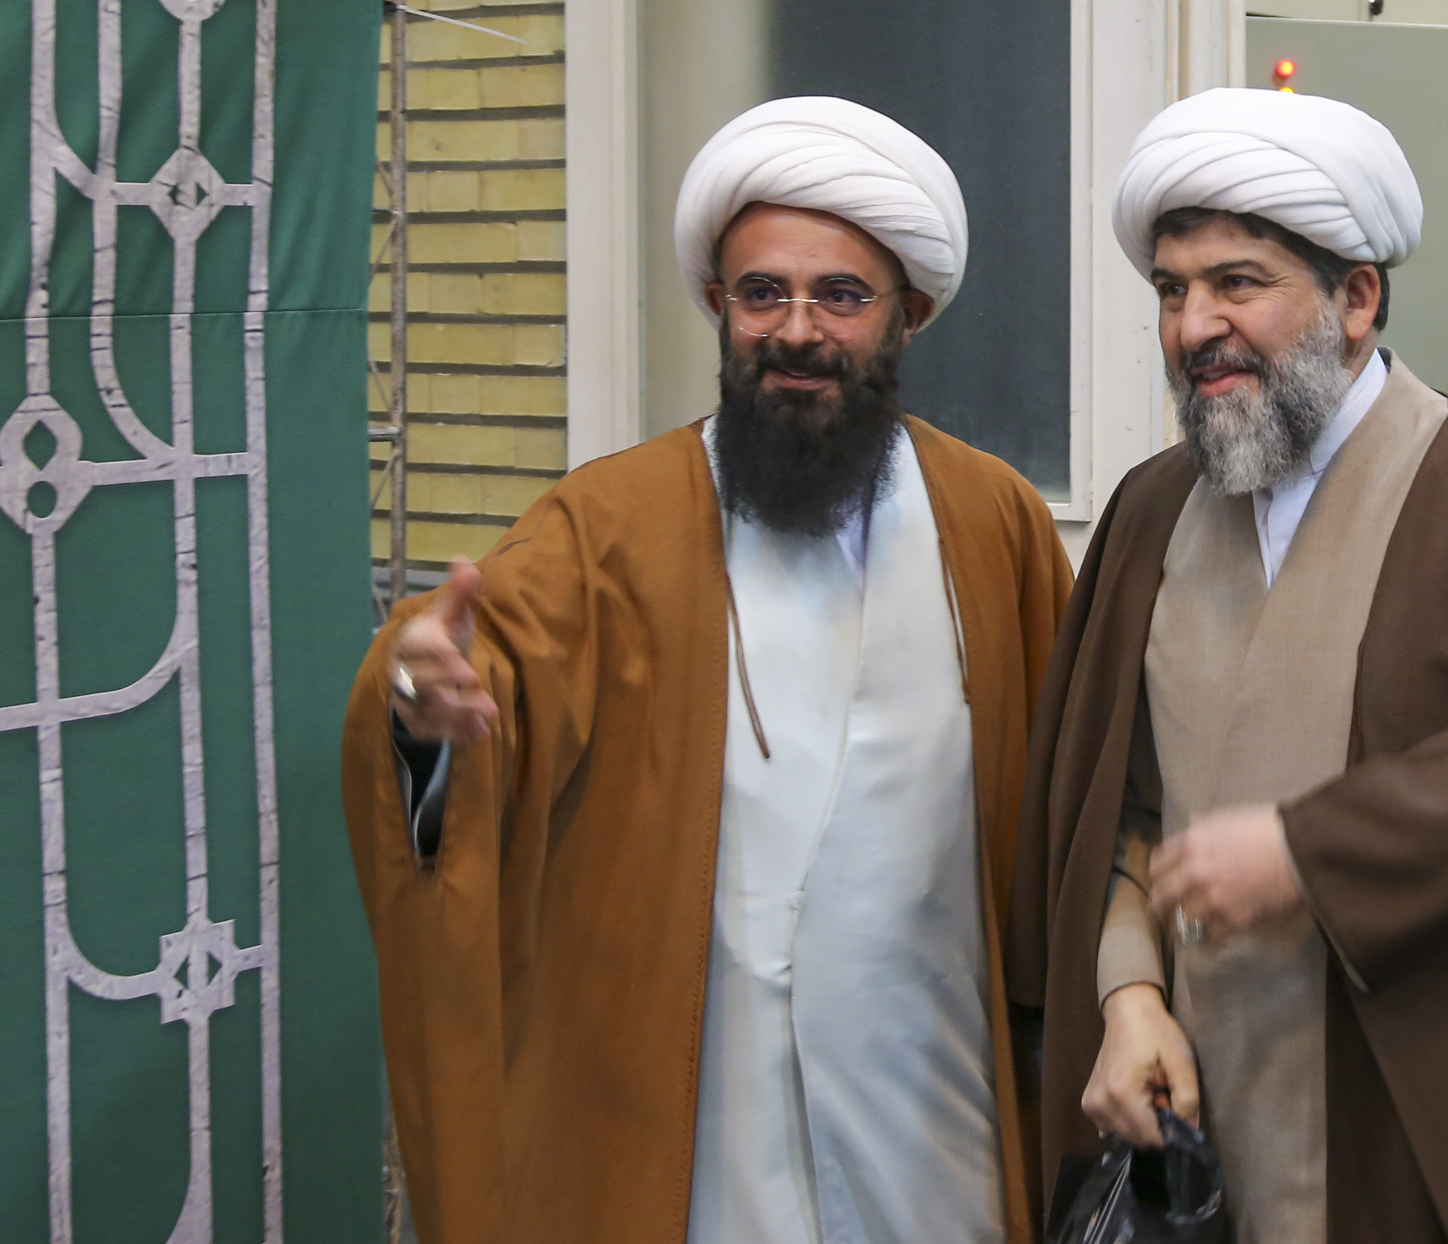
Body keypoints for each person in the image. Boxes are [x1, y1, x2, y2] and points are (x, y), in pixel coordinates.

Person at [343, 96, 1072, 1244]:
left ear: (909, 316)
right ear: (717, 305)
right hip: (700, 1124)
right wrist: (417, 706)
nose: (796, 331)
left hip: (934, 1112)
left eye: (841, 296)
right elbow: (478, 693)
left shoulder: (994, 522)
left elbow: (1069, 808)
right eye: (761, 294)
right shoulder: (607, 524)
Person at [1008, 88, 1448, 1243]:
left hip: (1410, 1134)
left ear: (1356, 298)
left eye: (1237, 283)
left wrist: (1312, 849)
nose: (1193, 326)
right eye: (1172, 290)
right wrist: (1128, 994)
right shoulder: (1149, 512)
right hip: (1196, 1127)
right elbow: (1122, 813)